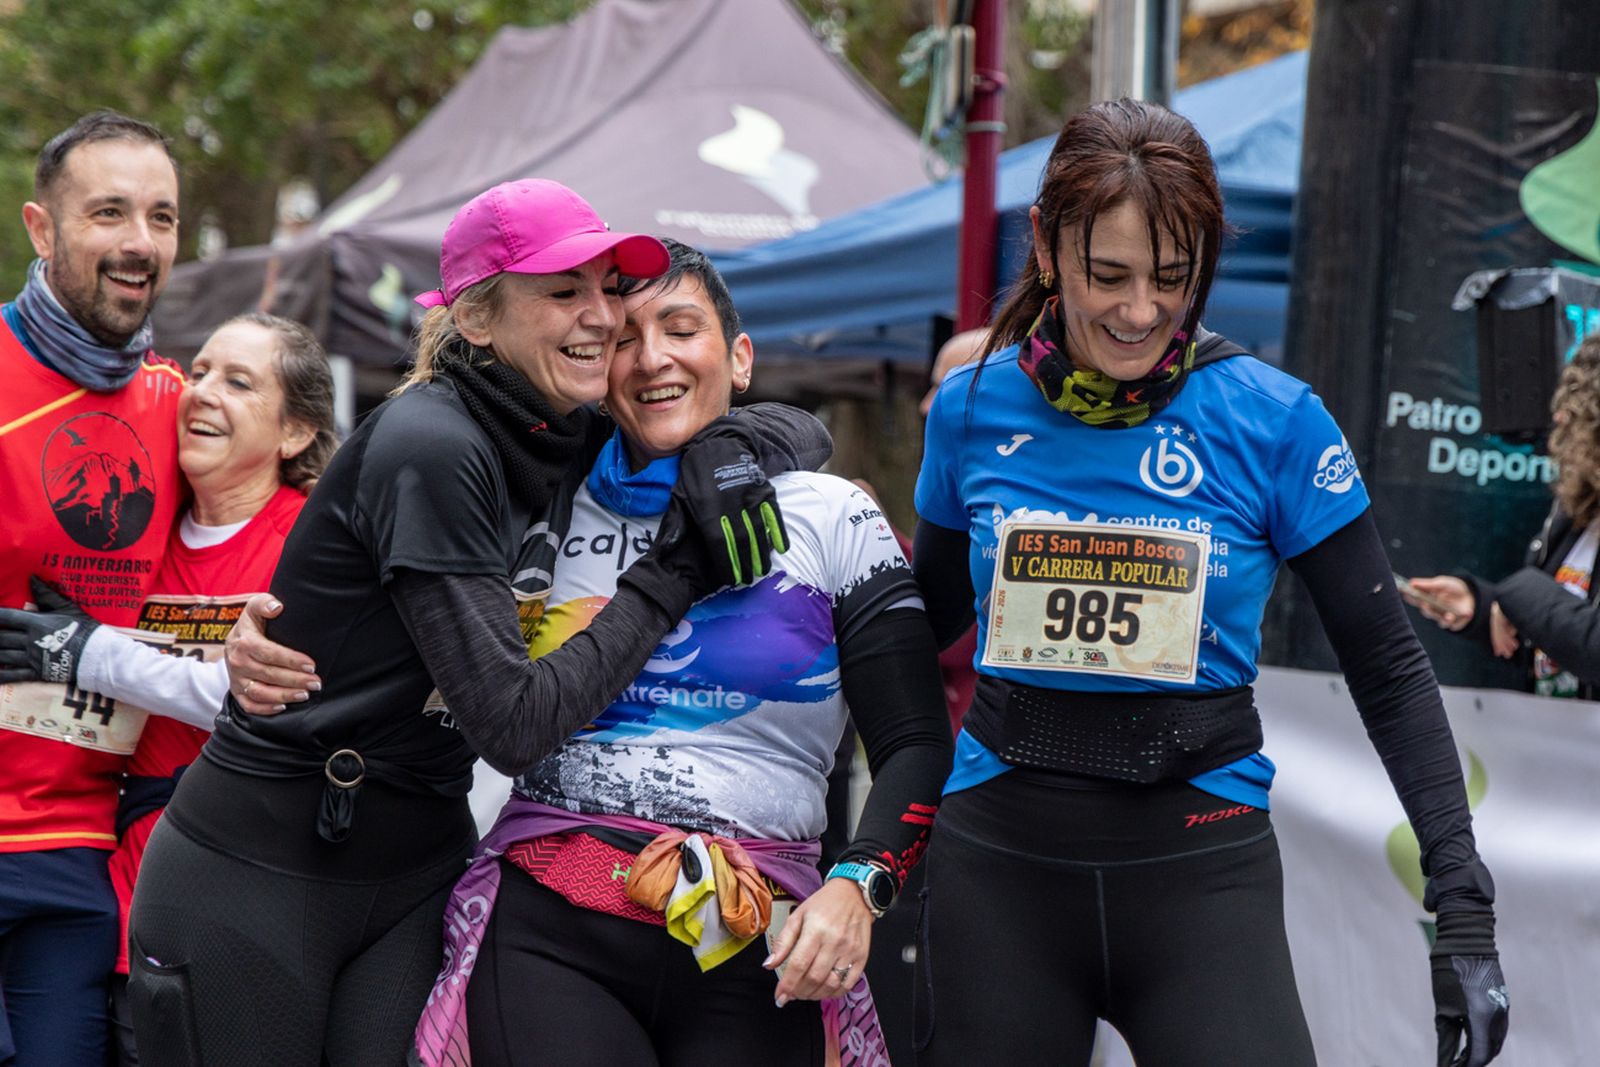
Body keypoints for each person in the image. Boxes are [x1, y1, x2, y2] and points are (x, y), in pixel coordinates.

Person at [126, 179, 829, 1067]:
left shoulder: (558, 428)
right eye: (563, 290)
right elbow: (514, 721)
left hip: (414, 865)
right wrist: (677, 569)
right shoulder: (435, 443)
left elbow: (799, 429)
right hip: (261, 868)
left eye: (608, 286)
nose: (603, 315)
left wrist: (725, 452)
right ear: (478, 321)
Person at [909, 99, 1508, 1067]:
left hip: (1197, 870)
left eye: (1171, 278)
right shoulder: (971, 409)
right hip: (1002, 870)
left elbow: (1389, 668)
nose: (1140, 311)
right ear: (1046, 247)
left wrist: (1463, 903)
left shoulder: (1274, 421)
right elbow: (905, 632)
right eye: (1107, 275)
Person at [408, 239, 952, 1067]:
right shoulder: (539, 505)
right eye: (623, 337)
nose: (651, 357)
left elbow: (915, 742)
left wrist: (859, 887)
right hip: (553, 920)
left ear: (738, 358)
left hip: (761, 939)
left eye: (680, 327)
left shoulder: (832, 514)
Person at [0, 314, 335, 1066]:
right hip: (120, 897)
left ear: (295, 432)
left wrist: (93, 651)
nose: (202, 394)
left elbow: (265, 702)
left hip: (249, 900)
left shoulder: (314, 539)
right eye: (203, 372)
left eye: (239, 382)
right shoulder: (139, 538)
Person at [0, 110, 184, 1067]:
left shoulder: (182, 405)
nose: (138, 243)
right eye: (109, 212)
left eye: (160, 217)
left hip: (83, 849)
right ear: (42, 228)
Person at [1406, 332, 1600, 697]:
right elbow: (1556, 644)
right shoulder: (1577, 509)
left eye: (1579, 409)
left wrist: (1517, 595)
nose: (1559, 417)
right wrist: (1482, 608)